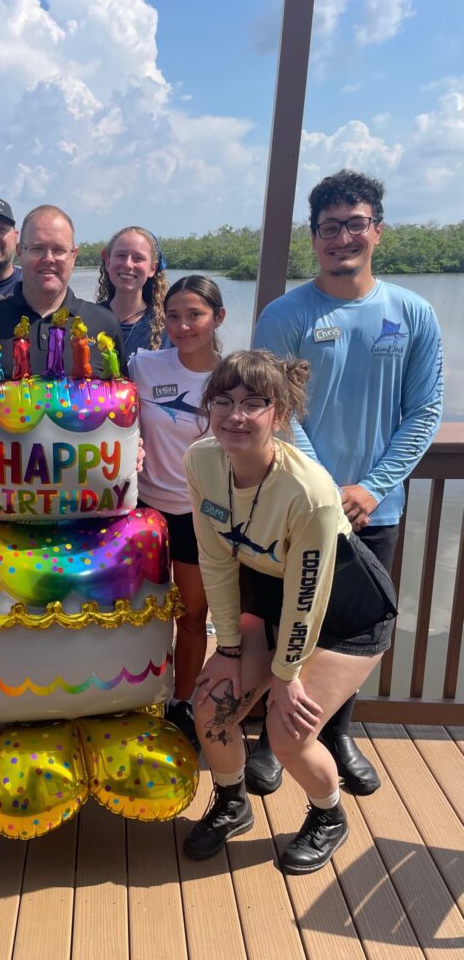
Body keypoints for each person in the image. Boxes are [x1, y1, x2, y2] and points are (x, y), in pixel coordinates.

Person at [248, 169, 443, 797]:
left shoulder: (413, 314)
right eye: (330, 228)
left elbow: (425, 412)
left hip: (374, 512)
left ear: (377, 232)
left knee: (352, 632)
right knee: (283, 623)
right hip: (291, 506)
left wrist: (374, 486)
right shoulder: (284, 314)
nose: (343, 238)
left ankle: (334, 735)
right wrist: (325, 491)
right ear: (314, 238)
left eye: (355, 224)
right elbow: (274, 411)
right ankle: (272, 739)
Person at [182, 350, 396, 874]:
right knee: (210, 704)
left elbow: (310, 597)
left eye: (254, 403)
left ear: (279, 416)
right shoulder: (202, 461)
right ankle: (232, 803)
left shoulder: (310, 491)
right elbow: (215, 560)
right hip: (269, 596)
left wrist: (286, 676)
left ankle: (329, 815)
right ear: (209, 407)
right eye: (224, 401)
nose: (236, 415)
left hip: (345, 610)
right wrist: (229, 648)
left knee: (289, 731)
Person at [128, 276, 224, 745]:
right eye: (174, 315)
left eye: (195, 315)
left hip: (198, 516)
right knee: (138, 612)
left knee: (190, 616)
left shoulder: (230, 379)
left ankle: (181, 703)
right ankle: (134, 695)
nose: (183, 326)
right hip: (143, 512)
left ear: (217, 318)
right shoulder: (143, 365)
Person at [0, 204, 126, 444]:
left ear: (73, 255)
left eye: (59, 250)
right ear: (20, 252)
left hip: (84, 478)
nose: (48, 259)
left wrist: (130, 446)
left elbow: (124, 404)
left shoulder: (103, 323)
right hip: (2, 478)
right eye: (37, 249)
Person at [97, 226, 170, 357]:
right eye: (121, 255)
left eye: (138, 258)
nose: (128, 264)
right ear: (108, 263)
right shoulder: (88, 319)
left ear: (152, 268)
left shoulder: (167, 328)